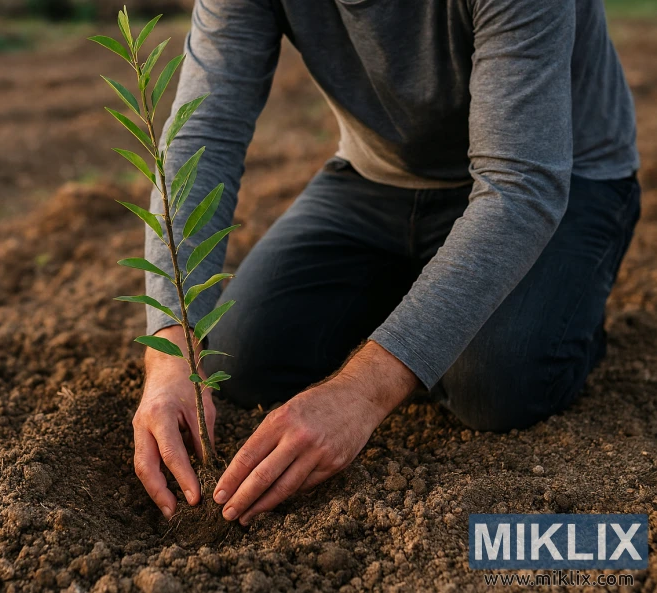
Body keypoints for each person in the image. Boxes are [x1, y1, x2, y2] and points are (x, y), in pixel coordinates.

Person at [131, 0, 640, 526]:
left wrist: (361, 392)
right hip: (378, 179)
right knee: (239, 361)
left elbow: (520, 187)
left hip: (559, 176)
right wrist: (172, 348)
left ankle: (564, 309)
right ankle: (426, 302)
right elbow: (203, 133)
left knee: (495, 384)